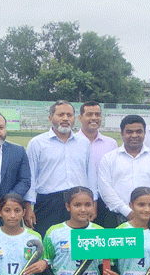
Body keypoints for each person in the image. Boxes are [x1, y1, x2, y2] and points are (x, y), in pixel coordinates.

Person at [25, 100, 97, 238]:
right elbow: (30, 177)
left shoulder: (83, 143)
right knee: (47, 241)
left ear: (74, 118)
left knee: (78, 242)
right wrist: (28, 207)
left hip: (78, 201)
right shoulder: (37, 143)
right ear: (51, 118)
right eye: (61, 115)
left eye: (69, 115)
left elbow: (91, 175)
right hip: (48, 203)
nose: (65, 118)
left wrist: (93, 203)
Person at [97, 115, 150, 226]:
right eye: (129, 132)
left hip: (149, 217)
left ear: (144, 133)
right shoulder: (108, 159)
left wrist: (144, 210)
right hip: (116, 217)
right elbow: (105, 190)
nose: (134, 135)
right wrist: (128, 212)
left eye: (139, 132)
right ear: (122, 134)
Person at [75, 101, 118, 228]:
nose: (94, 118)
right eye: (89, 114)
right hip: (79, 200)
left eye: (97, 114)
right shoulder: (73, 143)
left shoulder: (111, 144)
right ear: (80, 118)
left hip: (105, 200)